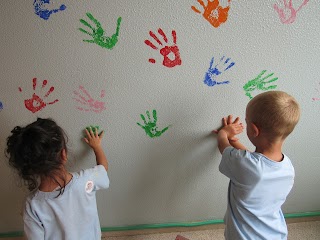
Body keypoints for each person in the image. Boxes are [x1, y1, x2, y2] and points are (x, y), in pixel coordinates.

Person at [214, 91, 300, 240]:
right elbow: (252, 161)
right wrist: (233, 139)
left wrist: (224, 133)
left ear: (254, 130)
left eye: (246, 122)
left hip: (244, 236)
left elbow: (224, 147)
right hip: (274, 233)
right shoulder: (287, 167)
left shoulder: (248, 166)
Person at [5, 118, 109, 240]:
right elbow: (103, 169)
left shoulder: (32, 205)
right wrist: (97, 147)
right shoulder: (86, 181)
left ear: (31, 168)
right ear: (64, 154)